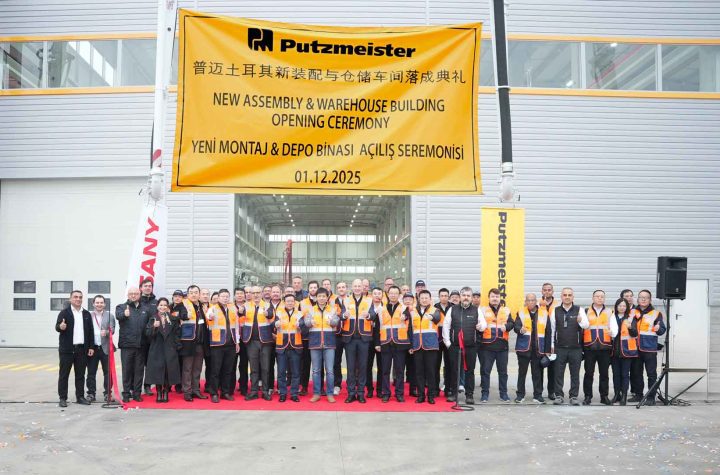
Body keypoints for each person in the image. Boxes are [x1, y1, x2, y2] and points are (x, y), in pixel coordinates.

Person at [442, 287, 484, 404]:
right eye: (464, 295)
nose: (466, 297)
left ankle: (469, 395)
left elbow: (483, 324)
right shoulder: (452, 309)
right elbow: (446, 326)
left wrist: (481, 326)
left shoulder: (477, 310)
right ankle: (454, 394)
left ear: (471, 298)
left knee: (470, 371)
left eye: (468, 295)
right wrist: (448, 343)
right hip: (455, 346)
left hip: (470, 347)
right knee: (454, 370)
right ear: (460, 297)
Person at [301, 288, 340, 402]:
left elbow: (336, 322)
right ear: (316, 297)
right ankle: (316, 393)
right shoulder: (310, 310)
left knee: (330, 370)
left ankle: (330, 393)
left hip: (329, 343)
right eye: (319, 296)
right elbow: (306, 322)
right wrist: (310, 322)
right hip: (315, 343)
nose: (322, 298)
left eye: (324, 296)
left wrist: (331, 322)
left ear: (327, 297)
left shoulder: (333, 309)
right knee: (316, 370)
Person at [55, 290, 94, 407]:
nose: (78, 299)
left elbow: (90, 332)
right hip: (67, 350)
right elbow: (57, 326)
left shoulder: (86, 314)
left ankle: (80, 397)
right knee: (64, 375)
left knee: (80, 375)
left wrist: (91, 347)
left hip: (81, 349)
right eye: (75, 297)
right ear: (70, 299)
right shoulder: (64, 313)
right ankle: (63, 398)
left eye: (80, 297)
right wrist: (61, 327)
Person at [551, 287, 589, 405]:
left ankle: (573, 396)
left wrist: (580, 321)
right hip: (560, 348)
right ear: (561, 297)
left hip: (575, 348)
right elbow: (552, 330)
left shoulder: (579, 310)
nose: (567, 297)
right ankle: (559, 396)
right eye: (565, 295)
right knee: (558, 373)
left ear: (573, 297)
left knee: (575, 374)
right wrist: (552, 345)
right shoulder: (555, 310)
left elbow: (586, 325)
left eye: (569, 295)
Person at [513, 293, 552, 404]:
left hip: (538, 349)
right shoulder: (521, 312)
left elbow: (548, 332)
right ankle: (520, 395)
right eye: (528, 300)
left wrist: (547, 350)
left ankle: (538, 395)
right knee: (522, 373)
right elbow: (516, 326)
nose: (530, 302)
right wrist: (520, 329)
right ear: (525, 301)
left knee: (537, 374)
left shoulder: (544, 313)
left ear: (536, 301)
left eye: (532, 300)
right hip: (523, 348)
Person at [630, 289, 666, 405]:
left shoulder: (656, 313)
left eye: (646, 297)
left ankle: (651, 397)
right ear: (637, 299)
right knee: (636, 373)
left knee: (651, 374)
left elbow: (662, 330)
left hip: (649, 348)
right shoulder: (632, 312)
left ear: (650, 300)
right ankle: (638, 395)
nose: (643, 299)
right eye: (641, 297)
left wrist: (658, 329)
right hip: (635, 348)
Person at [375, 287, 411, 402]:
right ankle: (386, 393)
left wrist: (410, 345)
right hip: (385, 343)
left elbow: (409, 325)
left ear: (399, 295)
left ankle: (399, 393)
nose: (393, 295)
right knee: (385, 370)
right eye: (391, 293)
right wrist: (377, 343)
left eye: (396, 293)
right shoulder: (381, 309)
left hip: (400, 343)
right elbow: (377, 327)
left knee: (400, 370)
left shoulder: (404, 308)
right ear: (388, 294)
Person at [582, 290, 618, 405]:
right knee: (589, 373)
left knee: (604, 374)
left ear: (604, 298)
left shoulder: (610, 312)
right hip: (590, 347)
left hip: (605, 347)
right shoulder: (585, 311)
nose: (599, 298)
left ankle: (604, 396)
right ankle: (588, 396)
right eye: (597, 296)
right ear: (593, 298)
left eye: (602, 296)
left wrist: (612, 333)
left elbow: (614, 328)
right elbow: (582, 327)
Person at [340, 279, 373, 403]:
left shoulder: (369, 300)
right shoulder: (346, 300)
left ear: (362, 287)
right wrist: (344, 316)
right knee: (350, 367)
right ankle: (351, 393)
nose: (357, 288)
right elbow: (341, 315)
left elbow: (373, 314)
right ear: (351, 287)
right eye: (355, 286)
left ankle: (361, 393)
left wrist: (368, 316)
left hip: (364, 338)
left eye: (359, 286)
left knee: (363, 366)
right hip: (350, 338)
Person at [479, 288, 514, 403]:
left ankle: (503, 394)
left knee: (503, 372)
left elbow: (512, 323)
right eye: (493, 296)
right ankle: (484, 394)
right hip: (487, 347)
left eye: (497, 297)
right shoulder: (482, 310)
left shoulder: (506, 310)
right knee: (485, 372)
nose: (495, 298)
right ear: (489, 298)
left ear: (500, 298)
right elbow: (478, 324)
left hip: (502, 347)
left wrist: (507, 326)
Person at [206, 289, 240, 403]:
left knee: (228, 370)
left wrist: (237, 342)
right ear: (218, 297)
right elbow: (209, 317)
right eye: (223, 296)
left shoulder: (233, 308)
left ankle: (225, 392)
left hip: (231, 344)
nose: (225, 298)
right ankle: (214, 393)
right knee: (215, 370)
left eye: (227, 296)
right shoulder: (212, 308)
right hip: (217, 344)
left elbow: (236, 326)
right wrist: (210, 316)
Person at [116, 287, 150, 403]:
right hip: (127, 345)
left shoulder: (145, 309)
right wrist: (124, 314)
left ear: (139, 294)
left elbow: (149, 325)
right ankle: (126, 394)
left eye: (136, 293)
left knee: (139, 371)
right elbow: (118, 316)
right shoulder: (121, 307)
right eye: (131, 294)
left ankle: (137, 394)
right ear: (128, 295)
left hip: (141, 346)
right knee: (127, 371)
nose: (133, 295)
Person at [241, 286, 275, 401]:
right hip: (251, 341)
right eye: (253, 293)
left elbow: (271, 315)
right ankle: (254, 391)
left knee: (265, 368)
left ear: (261, 294)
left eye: (258, 292)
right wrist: (240, 312)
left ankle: (265, 391)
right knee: (253, 368)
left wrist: (267, 313)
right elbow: (240, 315)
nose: (255, 295)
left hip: (265, 341)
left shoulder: (267, 305)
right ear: (250, 294)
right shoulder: (245, 306)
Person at [145, 298, 181, 403]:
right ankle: (159, 392)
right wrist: (154, 327)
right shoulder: (153, 318)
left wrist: (176, 346)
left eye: (165, 305)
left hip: (169, 348)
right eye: (161, 305)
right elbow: (147, 334)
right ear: (157, 306)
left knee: (167, 371)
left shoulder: (173, 319)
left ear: (168, 307)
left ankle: (165, 392)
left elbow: (177, 334)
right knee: (158, 371)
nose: (163, 307)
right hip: (157, 349)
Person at [409, 289, 441, 404]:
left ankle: (431, 395)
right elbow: (410, 329)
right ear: (418, 299)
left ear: (430, 299)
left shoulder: (435, 310)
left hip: (430, 346)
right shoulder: (413, 311)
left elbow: (437, 318)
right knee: (419, 372)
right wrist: (411, 345)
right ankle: (421, 395)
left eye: (426, 298)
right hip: (417, 345)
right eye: (422, 298)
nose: (424, 300)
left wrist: (432, 317)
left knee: (431, 372)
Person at [179, 285, 208, 402]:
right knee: (187, 368)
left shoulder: (202, 306)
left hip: (200, 342)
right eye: (191, 292)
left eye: (196, 292)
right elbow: (180, 315)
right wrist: (185, 315)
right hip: (188, 342)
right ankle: (187, 391)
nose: (194, 294)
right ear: (187, 294)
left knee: (197, 368)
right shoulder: (183, 304)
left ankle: (196, 390)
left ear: (199, 294)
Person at [86, 295, 116, 403]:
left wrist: (107, 332)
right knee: (91, 372)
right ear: (93, 304)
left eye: (101, 302)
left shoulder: (110, 315)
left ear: (104, 304)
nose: (99, 304)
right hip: (92, 348)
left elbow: (112, 330)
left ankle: (108, 394)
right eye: (97, 302)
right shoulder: (88, 315)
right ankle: (91, 394)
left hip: (105, 347)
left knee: (108, 373)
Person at [274, 293, 303, 402]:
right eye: (288, 301)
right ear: (284, 302)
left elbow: (304, 327)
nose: (290, 303)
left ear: (295, 303)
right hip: (282, 346)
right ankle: (283, 393)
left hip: (295, 346)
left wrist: (300, 326)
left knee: (296, 373)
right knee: (281, 372)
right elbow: (273, 325)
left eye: (292, 301)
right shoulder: (278, 313)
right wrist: (275, 324)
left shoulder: (299, 314)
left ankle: (294, 394)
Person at [613, 298, 638, 405]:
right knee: (616, 375)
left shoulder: (631, 318)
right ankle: (616, 395)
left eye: (624, 306)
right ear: (616, 307)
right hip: (614, 351)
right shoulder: (612, 317)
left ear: (627, 307)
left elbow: (635, 334)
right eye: (620, 305)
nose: (622, 307)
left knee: (625, 375)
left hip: (627, 351)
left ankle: (624, 395)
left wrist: (630, 328)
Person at [539, 283, 560, 400]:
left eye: (549, 290)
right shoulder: (537, 304)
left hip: (553, 339)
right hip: (540, 339)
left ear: (552, 291)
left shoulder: (558, 305)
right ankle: (539, 392)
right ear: (542, 291)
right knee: (539, 367)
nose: (547, 292)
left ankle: (551, 392)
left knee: (553, 368)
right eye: (545, 290)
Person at [139, 278, 158, 397]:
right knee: (139, 365)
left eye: (150, 286)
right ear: (141, 288)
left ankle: (147, 386)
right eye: (145, 286)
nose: (147, 288)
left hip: (152, 338)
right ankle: (135, 387)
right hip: (139, 339)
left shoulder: (156, 302)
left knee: (150, 364)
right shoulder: (137, 301)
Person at [434, 288, 451, 397]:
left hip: (449, 341)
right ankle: (435, 389)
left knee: (449, 366)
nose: (444, 298)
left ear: (448, 297)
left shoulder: (453, 308)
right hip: (437, 341)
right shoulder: (434, 308)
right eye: (442, 296)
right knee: (435, 366)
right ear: (439, 297)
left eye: (446, 296)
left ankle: (448, 389)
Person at [169, 290, 187, 393]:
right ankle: (168, 384)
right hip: (168, 338)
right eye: (175, 296)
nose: (177, 298)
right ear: (172, 297)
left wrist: (174, 317)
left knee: (179, 363)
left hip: (179, 338)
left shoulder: (183, 308)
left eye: (179, 296)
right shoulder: (169, 307)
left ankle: (179, 385)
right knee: (169, 362)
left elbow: (184, 316)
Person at [332, 281, 348, 396]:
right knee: (336, 361)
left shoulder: (351, 301)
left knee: (352, 361)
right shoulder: (332, 302)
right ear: (337, 289)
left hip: (349, 334)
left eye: (343, 287)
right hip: (336, 335)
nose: (341, 289)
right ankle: (337, 384)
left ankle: (352, 384)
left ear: (346, 288)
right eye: (339, 287)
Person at [233, 287, 250, 396]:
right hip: (233, 340)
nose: (239, 295)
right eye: (237, 294)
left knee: (244, 365)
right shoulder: (230, 307)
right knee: (231, 365)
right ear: (234, 296)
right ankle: (230, 388)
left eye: (241, 293)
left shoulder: (249, 306)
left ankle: (243, 387)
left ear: (244, 295)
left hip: (245, 339)